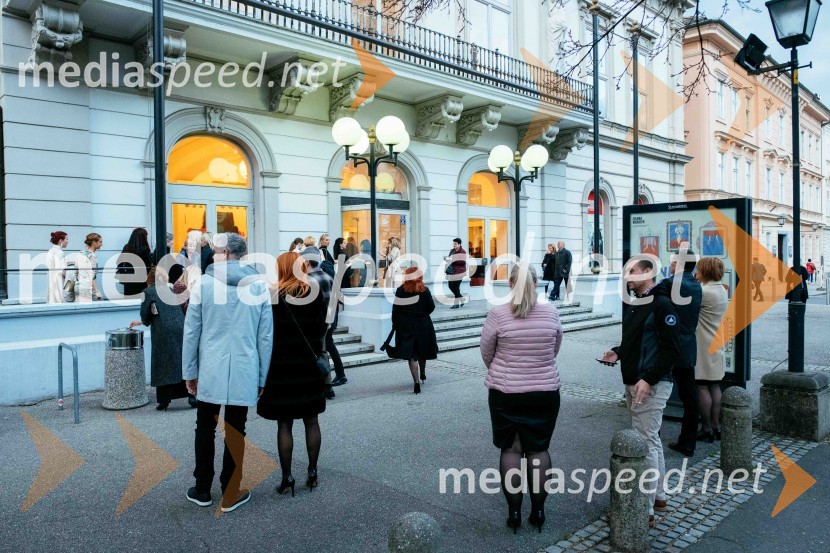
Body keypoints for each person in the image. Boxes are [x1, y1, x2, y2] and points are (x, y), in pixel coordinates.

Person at [182, 233, 273, 513]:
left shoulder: (204, 284)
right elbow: (265, 337)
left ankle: (202, 488)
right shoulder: (258, 286)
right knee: (236, 429)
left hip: (211, 366)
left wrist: (189, 371)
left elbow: (191, 332)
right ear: (242, 255)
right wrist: (262, 376)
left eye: (217, 251)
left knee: (205, 426)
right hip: (245, 367)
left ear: (224, 253)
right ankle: (230, 490)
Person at [480, 264, 563, 534]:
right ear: (537, 284)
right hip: (544, 392)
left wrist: (503, 369)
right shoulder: (551, 312)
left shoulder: (498, 314)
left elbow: (486, 352)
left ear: (510, 285)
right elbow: (554, 348)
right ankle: (538, 510)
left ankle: (514, 512)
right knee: (538, 449)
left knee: (512, 450)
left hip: (507, 393)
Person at [599, 258, 680, 526]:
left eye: (631, 272)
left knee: (643, 444)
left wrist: (649, 378)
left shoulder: (662, 304)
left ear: (648, 272)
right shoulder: (637, 303)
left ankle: (642, 509)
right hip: (635, 379)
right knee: (650, 440)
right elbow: (635, 342)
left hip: (650, 383)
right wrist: (618, 352)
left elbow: (671, 349)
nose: (627, 277)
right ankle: (658, 497)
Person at [257, 251, 328, 497]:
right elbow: (321, 329)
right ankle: (312, 472)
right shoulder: (314, 293)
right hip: (307, 366)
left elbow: (265, 333)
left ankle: (287, 477)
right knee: (311, 420)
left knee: (284, 423)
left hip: (281, 367)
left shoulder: (273, 296)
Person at [130, 264, 196, 410]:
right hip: (181, 327)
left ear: (150, 277)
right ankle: (191, 395)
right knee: (180, 360)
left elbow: (146, 316)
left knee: (163, 363)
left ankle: (164, 400)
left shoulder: (148, 292)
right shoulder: (171, 289)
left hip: (162, 330)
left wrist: (145, 321)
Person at [660, 248, 702, 458]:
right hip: (687, 347)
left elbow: (648, 297)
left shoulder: (670, 284)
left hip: (667, 347)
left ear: (678, 264)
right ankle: (688, 442)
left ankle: (651, 438)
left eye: (673, 262)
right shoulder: (696, 285)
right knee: (690, 397)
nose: (671, 265)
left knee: (653, 392)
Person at [389, 266, 439, 394]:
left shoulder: (401, 290)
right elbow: (431, 307)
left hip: (406, 325)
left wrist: (395, 323)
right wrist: (422, 313)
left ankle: (416, 382)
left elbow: (396, 309)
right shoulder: (425, 290)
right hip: (423, 324)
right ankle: (422, 372)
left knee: (412, 355)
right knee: (423, 350)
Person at [694, 258, 728, 443]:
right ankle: (716, 426)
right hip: (716, 342)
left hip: (703, 344)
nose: (696, 273)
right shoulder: (721, 290)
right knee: (714, 385)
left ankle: (706, 427)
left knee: (701, 386)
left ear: (705, 271)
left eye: (699, 270)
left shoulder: (703, 291)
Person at [303, 246, 343, 396]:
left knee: (314, 351)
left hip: (314, 322)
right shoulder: (328, 277)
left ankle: (318, 385)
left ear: (307, 263)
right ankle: (328, 385)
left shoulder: (307, 280)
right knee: (323, 351)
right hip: (327, 320)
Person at [116, 228, 152, 297]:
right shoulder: (145, 249)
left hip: (128, 279)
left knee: (129, 299)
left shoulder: (127, 247)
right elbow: (148, 265)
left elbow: (119, 261)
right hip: (141, 279)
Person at [76, 233, 103, 302]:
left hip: (78, 286)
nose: (101, 244)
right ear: (94, 242)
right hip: (87, 287)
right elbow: (92, 276)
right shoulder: (92, 256)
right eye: (100, 242)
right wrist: (96, 291)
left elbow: (76, 270)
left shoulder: (80, 253)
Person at [46, 231, 69, 304]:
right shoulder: (59, 252)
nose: (68, 242)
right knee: (59, 299)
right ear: (61, 241)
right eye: (66, 239)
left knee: (52, 298)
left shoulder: (50, 251)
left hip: (51, 279)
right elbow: (62, 269)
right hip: (59, 280)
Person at [445, 238, 467, 308]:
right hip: (451, 271)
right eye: (453, 243)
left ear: (459, 244)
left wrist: (453, 259)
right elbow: (450, 259)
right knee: (450, 286)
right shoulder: (452, 251)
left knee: (456, 287)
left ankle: (456, 303)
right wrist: (447, 259)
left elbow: (463, 262)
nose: (454, 245)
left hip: (459, 272)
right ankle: (461, 298)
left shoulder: (462, 252)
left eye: (455, 244)